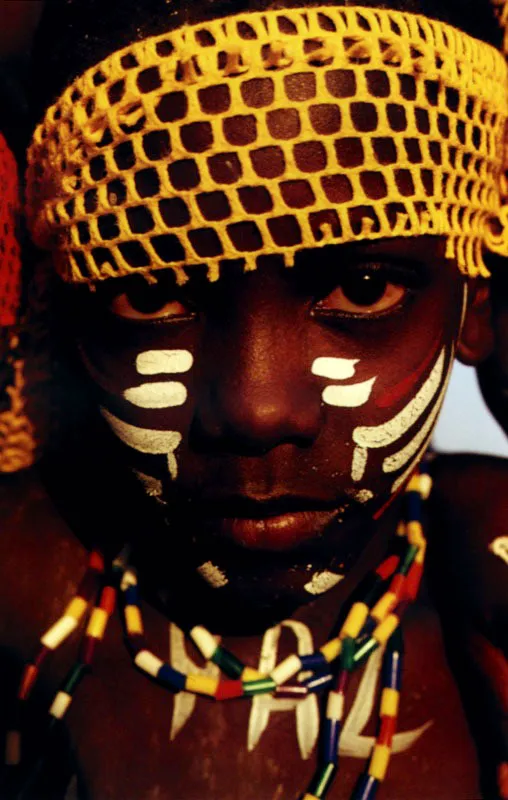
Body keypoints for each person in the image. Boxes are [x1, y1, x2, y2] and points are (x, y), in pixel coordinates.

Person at [1, 0, 508, 797]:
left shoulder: (485, 597)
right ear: (67, 309)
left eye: (362, 285)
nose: (255, 408)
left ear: (476, 299)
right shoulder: (30, 604)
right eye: (153, 293)